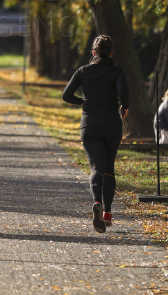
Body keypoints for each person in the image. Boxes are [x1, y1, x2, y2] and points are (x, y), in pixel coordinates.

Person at [61, 35, 129, 233]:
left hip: (90, 125)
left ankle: (96, 202)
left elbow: (66, 95)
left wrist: (82, 102)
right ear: (111, 53)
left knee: (95, 168)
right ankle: (107, 212)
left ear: (93, 53)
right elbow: (124, 93)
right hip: (111, 125)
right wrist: (125, 108)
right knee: (109, 168)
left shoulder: (83, 71)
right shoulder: (117, 72)